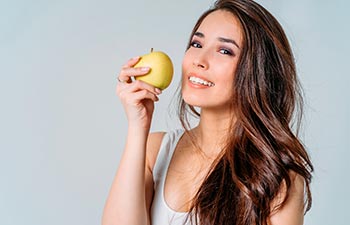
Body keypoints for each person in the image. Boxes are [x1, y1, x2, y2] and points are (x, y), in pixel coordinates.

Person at [102, 0, 313, 224]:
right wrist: (138, 126)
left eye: (224, 50)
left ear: (256, 72)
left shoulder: (275, 178)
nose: (199, 61)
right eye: (196, 44)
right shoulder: (154, 151)